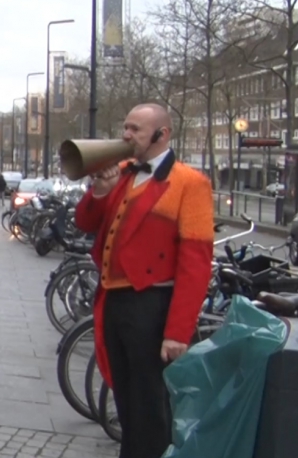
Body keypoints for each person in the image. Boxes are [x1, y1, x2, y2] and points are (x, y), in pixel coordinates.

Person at [74, 103, 213, 458]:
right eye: (126, 126)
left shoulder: (190, 183)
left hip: (152, 305)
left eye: (135, 129)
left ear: (161, 134)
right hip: (115, 302)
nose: (126, 135)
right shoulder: (121, 172)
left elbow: (195, 261)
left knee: (150, 407)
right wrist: (101, 190)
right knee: (125, 400)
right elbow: (86, 223)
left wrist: (177, 331)